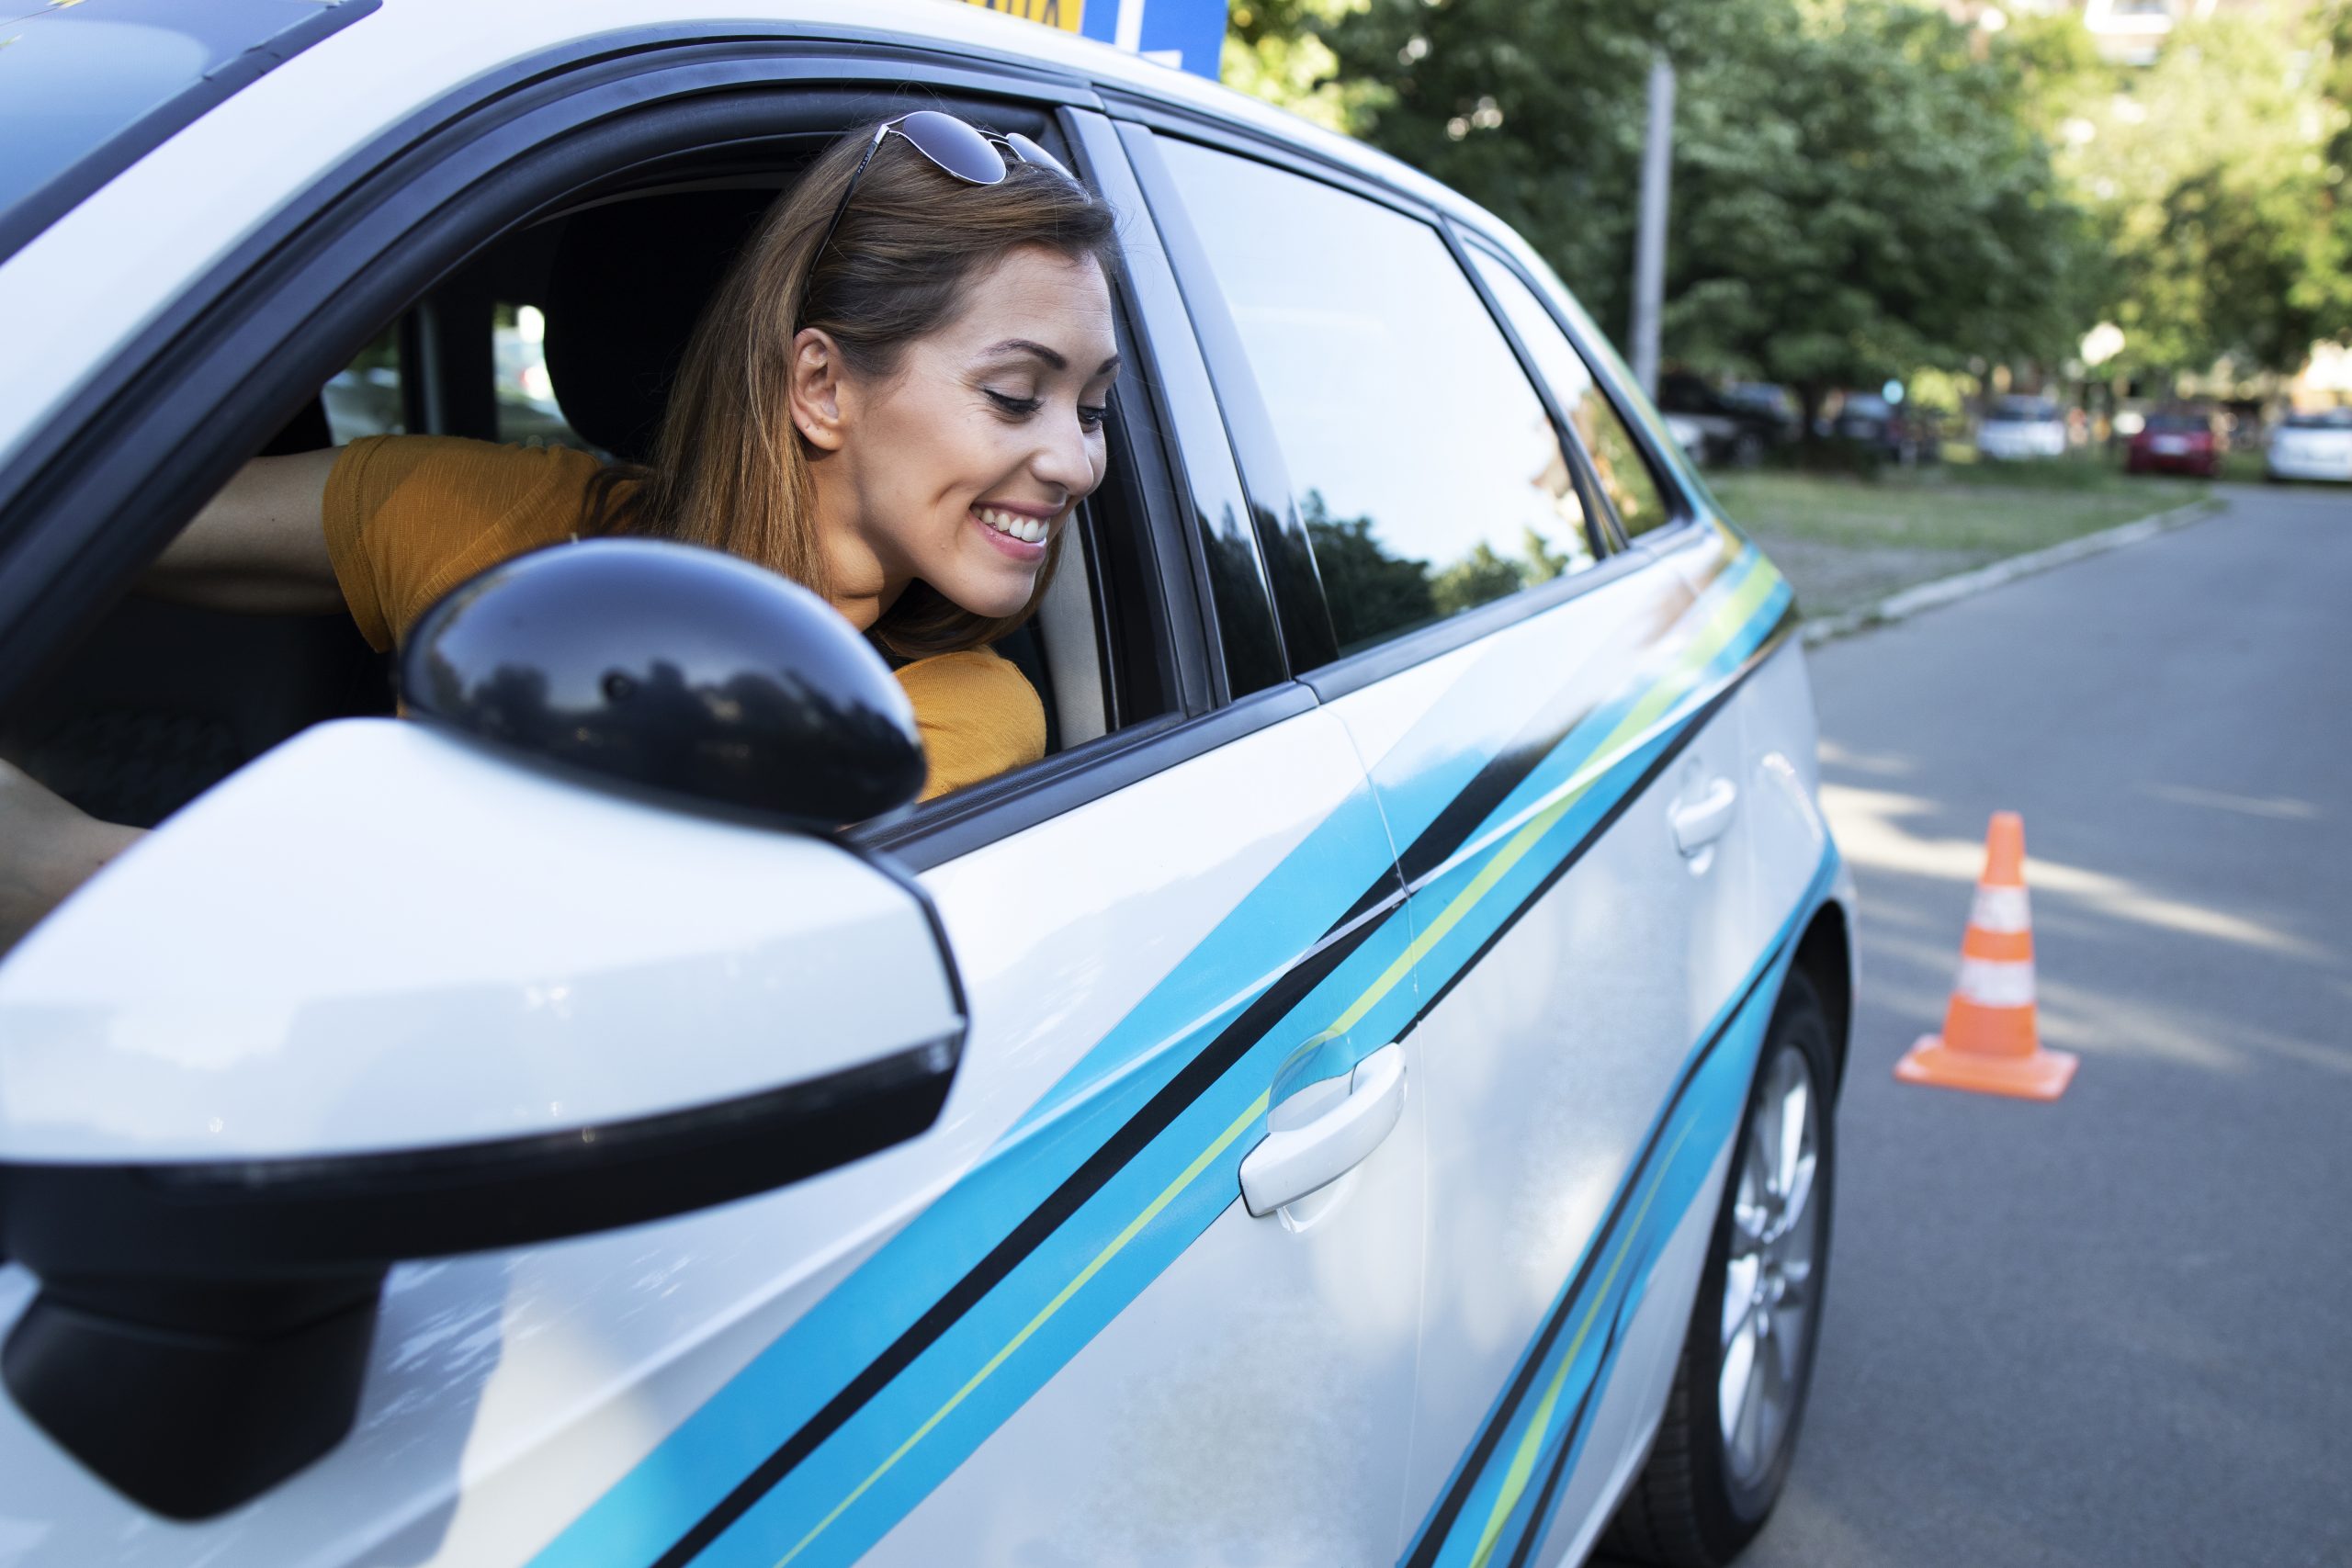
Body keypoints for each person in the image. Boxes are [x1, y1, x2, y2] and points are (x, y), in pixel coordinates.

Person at [0, 113, 1125, 951]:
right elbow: (77, 511)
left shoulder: (951, 717)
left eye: (1091, 408)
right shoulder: (506, 524)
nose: (1077, 463)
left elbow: (546, 976)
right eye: (1016, 395)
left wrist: (66, 868)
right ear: (821, 386)